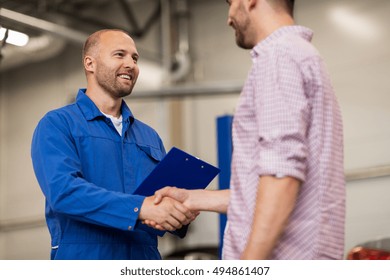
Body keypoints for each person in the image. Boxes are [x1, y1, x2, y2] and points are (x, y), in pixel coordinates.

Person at [147, 0, 345, 260]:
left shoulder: (277, 56)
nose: (229, 17)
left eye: (230, 3)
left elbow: (281, 176)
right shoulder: (303, 55)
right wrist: (194, 198)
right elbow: (269, 189)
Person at [31, 29, 196, 260]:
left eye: (135, 58)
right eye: (120, 55)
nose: (131, 64)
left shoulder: (149, 136)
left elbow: (159, 207)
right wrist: (140, 208)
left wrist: (180, 213)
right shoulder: (58, 124)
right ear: (90, 63)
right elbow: (64, 193)